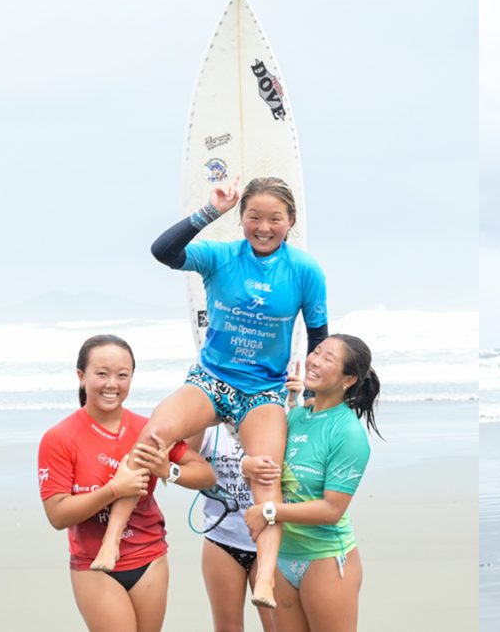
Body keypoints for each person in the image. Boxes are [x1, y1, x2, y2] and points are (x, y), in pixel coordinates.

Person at [93, 175, 329, 610]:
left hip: (262, 392)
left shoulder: (304, 271)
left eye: (275, 218)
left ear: (290, 221)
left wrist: (312, 392)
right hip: (211, 378)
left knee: (266, 471)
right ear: (241, 219)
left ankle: (266, 579)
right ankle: (111, 542)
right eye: (254, 217)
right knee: (152, 436)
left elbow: (319, 336)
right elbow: (163, 252)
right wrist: (209, 210)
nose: (264, 226)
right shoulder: (220, 257)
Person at [38, 334, 216, 632]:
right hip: (93, 562)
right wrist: (114, 490)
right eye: (102, 374)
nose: (112, 384)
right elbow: (58, 515)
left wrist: (167, 469)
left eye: (123, 375)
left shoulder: (147, 429)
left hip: (150, 557)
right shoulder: (59, 438)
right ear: (81, 376)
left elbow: (205, 474)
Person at [243, 334, 380, 632]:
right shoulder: (294, 418)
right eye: (317, 351)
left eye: (328, 358)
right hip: (283, 557)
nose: (315, 360)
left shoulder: (348, 433)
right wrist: (247, 465)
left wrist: (269, 512)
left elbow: (332, 509)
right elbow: (269, 475)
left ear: (348, 380)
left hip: (326, 560)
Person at [187, 423, 279, 632]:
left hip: (270, 539)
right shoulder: (210, 425)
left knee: (277, 626)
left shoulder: (274, 417)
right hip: (222, 540)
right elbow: (184, 458)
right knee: (227, 628)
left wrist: (295, 405)